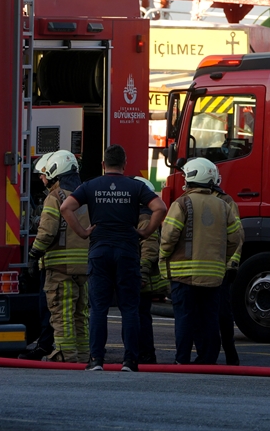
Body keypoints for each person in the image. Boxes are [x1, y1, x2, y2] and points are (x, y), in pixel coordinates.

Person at [61, 144, 166, 372]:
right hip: (127, 251)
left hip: (99, 250)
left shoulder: (90, 186)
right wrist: (146, 232)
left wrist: (83, 232)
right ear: (124, 164)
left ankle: (96, 360)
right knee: (129, 308)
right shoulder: (135, 186)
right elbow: (160, 207)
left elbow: (65, 207)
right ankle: (130, 361)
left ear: (103, 164)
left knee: (98, 308)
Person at [160, 158, 244, 365]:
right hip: (214, 276)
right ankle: (208, 360)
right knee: (209, 320)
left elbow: (168, 237)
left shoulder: (182, 203)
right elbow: (236, 238)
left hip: (183, 275)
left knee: (185, 319)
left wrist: (164, 257)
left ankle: (182, 360)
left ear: (190, 178)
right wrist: (222, 260)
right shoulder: (223, 205)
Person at [26, 151, 90, 363]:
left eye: (45, 174)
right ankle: (82, 356)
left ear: (55, 171)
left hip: (60, 268)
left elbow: (47, 232)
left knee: (62, 315)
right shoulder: (87, 195)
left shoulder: (55, 197)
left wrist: (34, 255)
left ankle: (66, 357)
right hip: (85, 268)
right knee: (80, 315)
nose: (43, 179)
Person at [209, 167, 244, 365]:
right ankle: (212, 355)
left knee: (222, 314)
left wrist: (232, 264)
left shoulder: (226, 201)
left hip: (221, 267)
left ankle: (230, 354)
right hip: (211, 267)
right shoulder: (219, 200)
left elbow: (237, 234)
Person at [135, 176, 167, 365]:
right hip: (144, 277)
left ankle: (145, 354)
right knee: (141, 316)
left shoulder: (144, 217)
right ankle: (144, 353)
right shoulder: (144, 214)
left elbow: (149, 246)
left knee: (140, 317)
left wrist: (143, 272)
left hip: (143, 279)